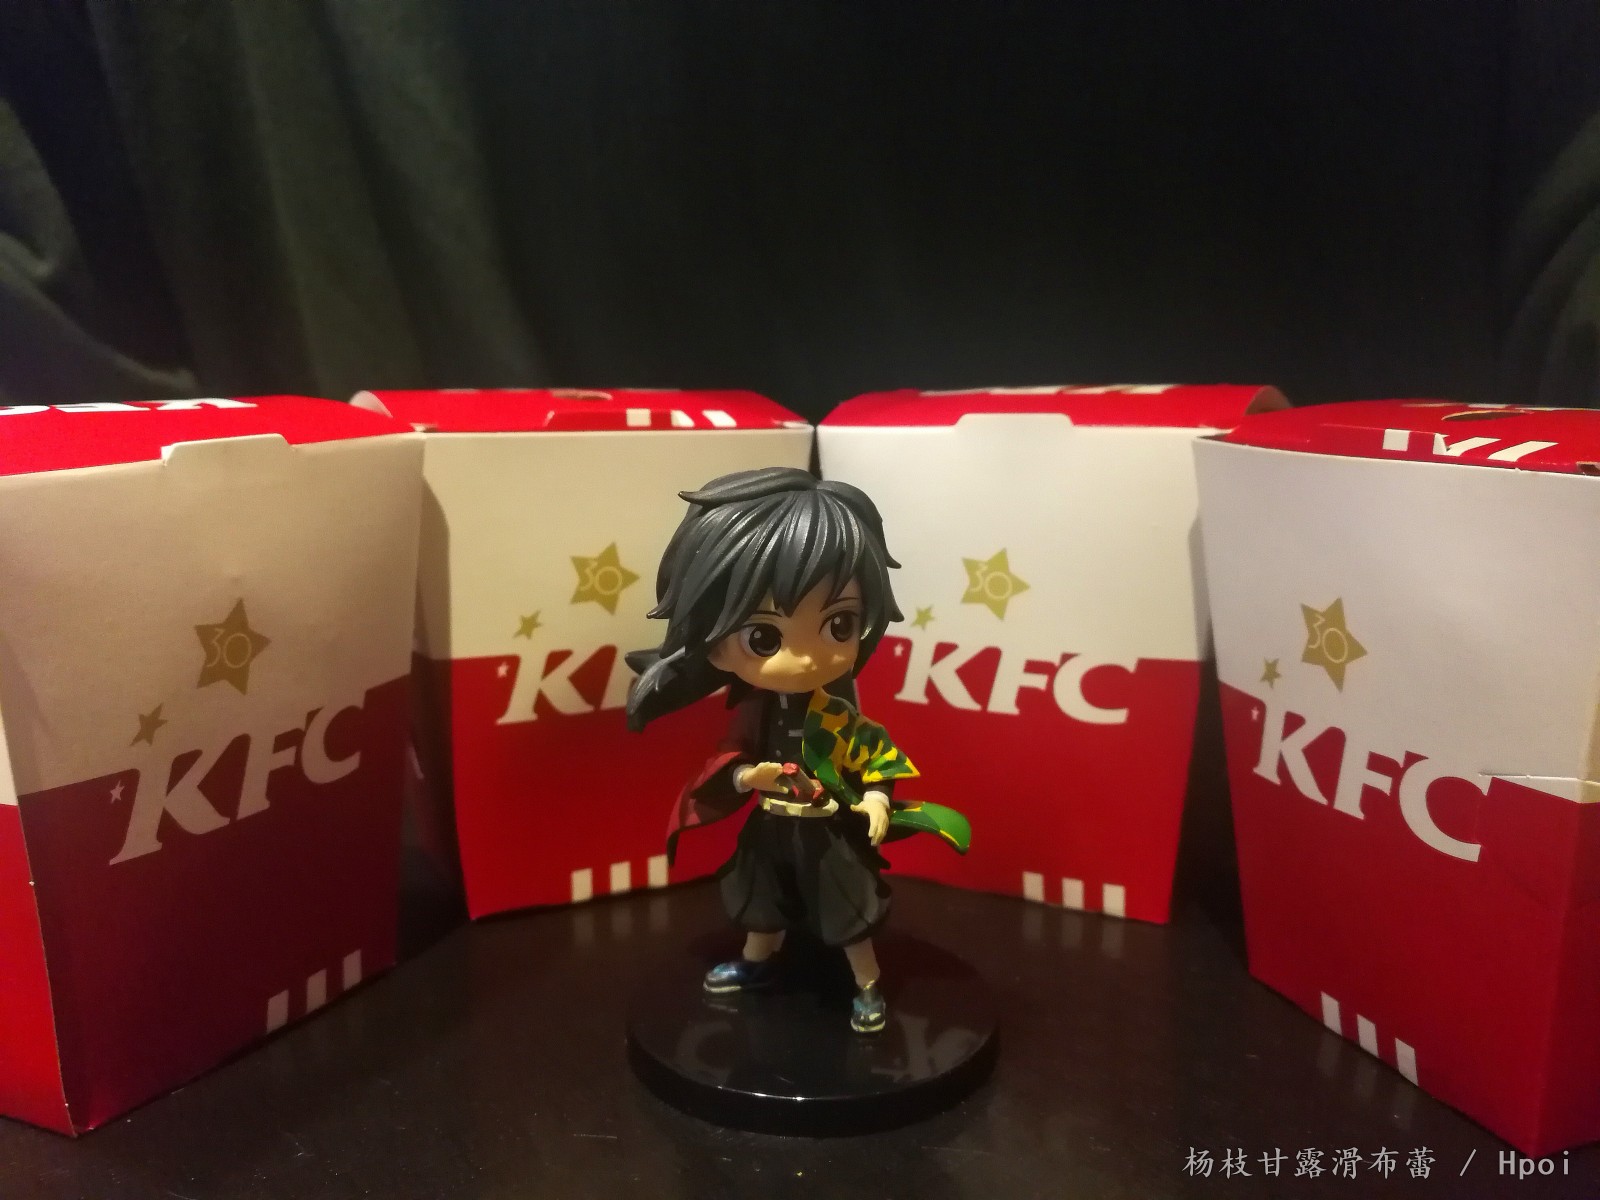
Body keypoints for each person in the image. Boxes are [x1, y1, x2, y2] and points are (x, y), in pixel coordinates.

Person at [626, 466, 966, 1033]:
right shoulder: (756, 712)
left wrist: (877, 798)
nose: (806, 658)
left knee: (846, 908)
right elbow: (729, 758)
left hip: (827, 831)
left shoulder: (839, 713)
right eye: (764, 637)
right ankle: (757, 961)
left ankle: (867, 983)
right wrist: (747, 778)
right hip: (771, 824)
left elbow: (876, 756)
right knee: (762, 899)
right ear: (714, 642)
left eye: (840, 624)